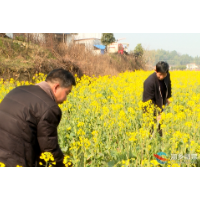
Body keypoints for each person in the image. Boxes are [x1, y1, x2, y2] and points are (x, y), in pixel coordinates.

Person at [0, 68, 76, 167]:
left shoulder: (18, 90)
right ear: (56, 87)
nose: (65, 99)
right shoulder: (49, 108)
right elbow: (49, 149)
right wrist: (66, 164)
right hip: (17, 160)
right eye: (67, 93)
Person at [142, 61, 172, 137]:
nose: (161, 77)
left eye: (163, 74)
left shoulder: (167, 75)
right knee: (151, 131)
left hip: (160, 104)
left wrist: (168, 97)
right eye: (159, 75)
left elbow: (168, 85)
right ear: (155, 70)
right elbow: (148, 102)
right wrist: (156, 115)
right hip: (149, 109)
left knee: (160, 131)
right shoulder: (149, 82)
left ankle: (159, 146)